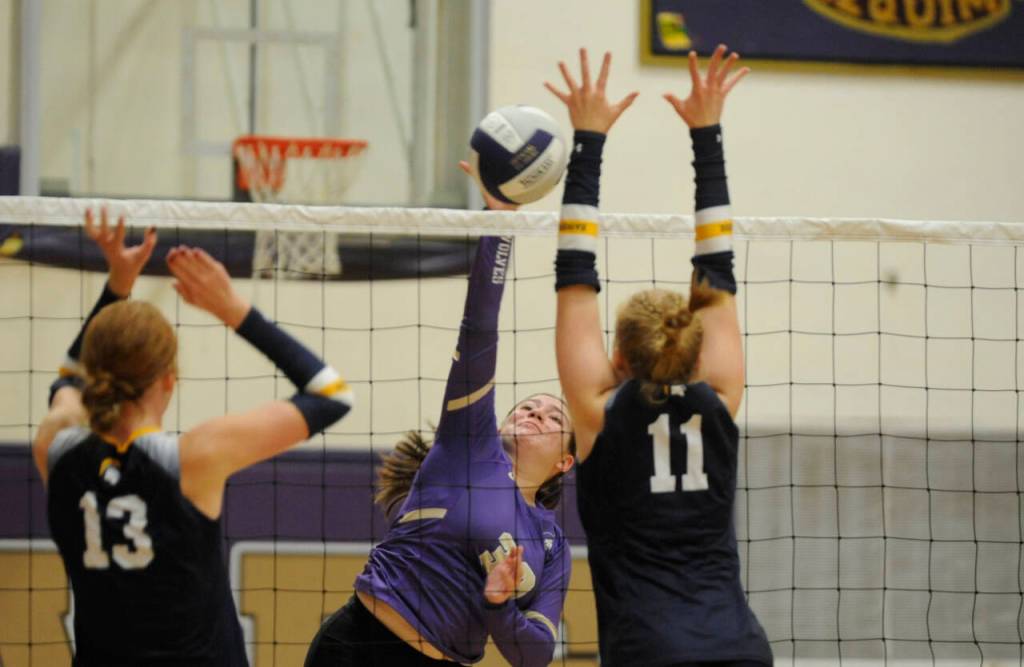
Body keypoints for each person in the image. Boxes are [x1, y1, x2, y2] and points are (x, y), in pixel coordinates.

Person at [34, 209, 353, 666]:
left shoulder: (56, 448)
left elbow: (66, 380)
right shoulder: (193, 458)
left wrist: (118, 283)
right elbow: (332, 395)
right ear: (168, 380)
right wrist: (234, 310)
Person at [548, 46, 772, 666]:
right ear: (697, 357)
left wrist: (587, 140)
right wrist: (708, 132)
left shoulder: (598, 413)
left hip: (649, 650)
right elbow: (717, 265)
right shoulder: (719, 398)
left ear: (618, 355)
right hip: (739, 648)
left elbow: (573, 273)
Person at [305, 173, 576, 666]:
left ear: (565, 461)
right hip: (360, 645)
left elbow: (535, 654)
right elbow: (479, 331)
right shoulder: (470, 445)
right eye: (526, 407)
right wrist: (499, 226)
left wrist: (499, 605)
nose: (536, 412)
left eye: (553, 416)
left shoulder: (552, 545)